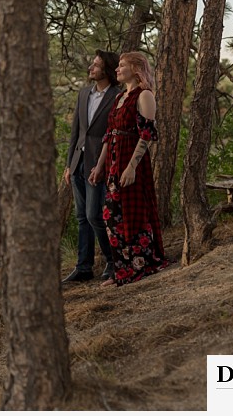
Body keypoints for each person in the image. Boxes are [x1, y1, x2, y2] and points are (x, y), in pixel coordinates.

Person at [88, 51, 169, 287]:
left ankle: (140, 265)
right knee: (112, 217)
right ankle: (121, 269)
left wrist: (132, 167)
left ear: (136, 68)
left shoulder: (144, 95)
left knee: (134, 214)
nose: (117, 69)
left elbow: (146, 134)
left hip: (131, 161)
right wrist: (100, 166)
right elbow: (109, 134)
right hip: (113, 160)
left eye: (122, 65)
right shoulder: (119, 98)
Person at [62, 50, 121, 283]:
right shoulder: (84, 93)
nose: (90, 68)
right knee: (81, 218)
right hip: (77, 163)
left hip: (99, 163)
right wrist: (69, 165)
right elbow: (76, 132)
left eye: (95, 65)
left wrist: (103, 164)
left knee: (94, 215)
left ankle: (112, 260)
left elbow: (113, 134)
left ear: (106, 70)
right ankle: (84, 267)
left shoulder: (117, 96)